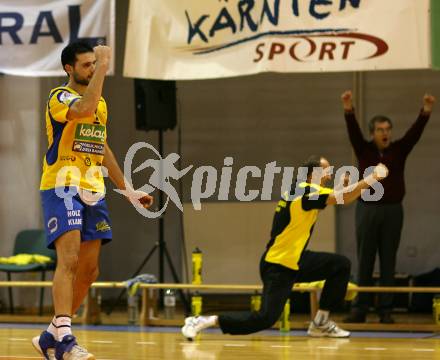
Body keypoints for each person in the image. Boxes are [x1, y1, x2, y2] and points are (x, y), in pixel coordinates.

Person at [32, 42, 153, 360]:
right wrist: (104, 65)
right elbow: (83, 109)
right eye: (86, 65)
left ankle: (50, 335)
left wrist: (128, 189)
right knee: (69, 261)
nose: (92, 68)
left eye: (93, 64)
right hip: (62, 186)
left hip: (92, 189)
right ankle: (65, 340)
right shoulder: (59, 98)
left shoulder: (100, 105)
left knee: (89, 270)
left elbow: (101, 149)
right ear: (69, 69)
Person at [181, 156, 388, 340]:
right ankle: (203, 321)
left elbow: (339, 195)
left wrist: (347, 186)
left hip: (295, 259)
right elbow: (342, 197)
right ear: (312, 175)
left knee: (340, 265)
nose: (329, 173)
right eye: (325, 170)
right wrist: (373, 178)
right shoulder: (306, 193)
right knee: (265, 319)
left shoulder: (302, 190)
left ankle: (321, 323)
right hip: (278, 265)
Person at [341, 90, 435, 323]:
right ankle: (360, 309)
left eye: (387, 130)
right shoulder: (364, 150)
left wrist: (425, 111)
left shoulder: (399, 151)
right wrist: (348, 108)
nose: (385, 133)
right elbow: (353, 132)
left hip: (393, 211)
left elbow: (414, 134)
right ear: (373, 134)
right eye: (380, 130)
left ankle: (385, 310)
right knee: (365, 259)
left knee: (388, 260)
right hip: (367, 209)